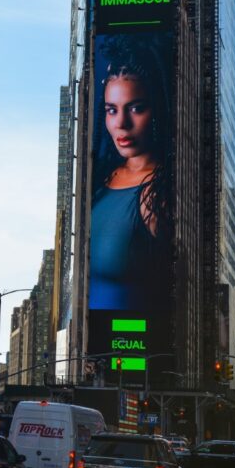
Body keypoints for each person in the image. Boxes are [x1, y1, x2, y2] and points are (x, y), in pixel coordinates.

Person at [89, 33, 174, 311]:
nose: (121, 123)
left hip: (138, 342)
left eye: (136, 108)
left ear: (158, 108)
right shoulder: (99, 180)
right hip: (87, 345)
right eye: (112, 110)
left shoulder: (158, 192)